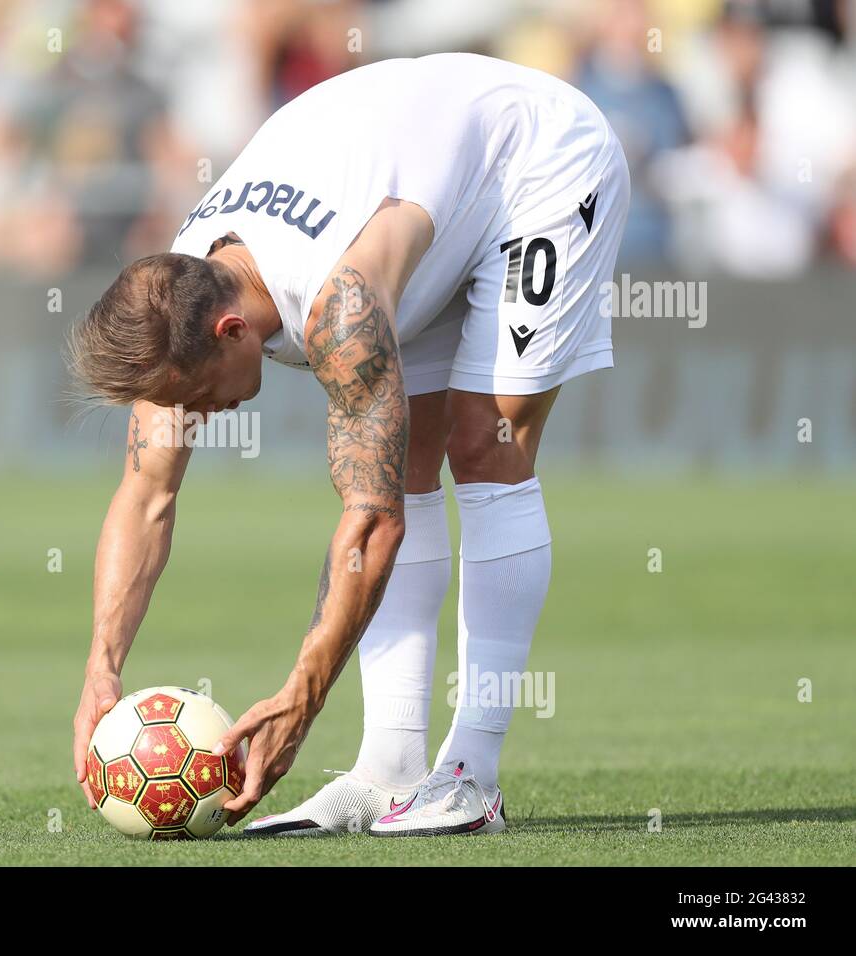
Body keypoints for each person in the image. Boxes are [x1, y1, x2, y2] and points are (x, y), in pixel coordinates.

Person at [68, 53, 630, 837]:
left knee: (484, 446)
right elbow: (148, 493)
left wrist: (300, 698)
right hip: (410, 190)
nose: (191, 415)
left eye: (189, 396)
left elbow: (372, 523)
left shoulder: (342, 308)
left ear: (232, 331)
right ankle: (389, 772)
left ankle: (471, 777)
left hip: (533, 163)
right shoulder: (179, 292)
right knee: (404, 463)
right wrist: (102, 666)